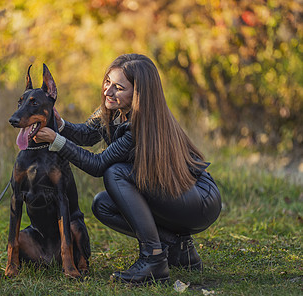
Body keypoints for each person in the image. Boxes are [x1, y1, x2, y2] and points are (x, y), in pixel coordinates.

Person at [34, 53, 222, 284]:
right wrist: (60, 125)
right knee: (103, 205)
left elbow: (98, 165)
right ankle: (179, 248)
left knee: (116, 173)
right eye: (107, 82)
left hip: (199, 200)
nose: (108, 92)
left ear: (138, 93)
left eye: (118, 87)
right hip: (177, 197)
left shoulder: (141, 123)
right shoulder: (114, 111)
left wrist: (56, 140)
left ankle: (153, 259)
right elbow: (85, 133)